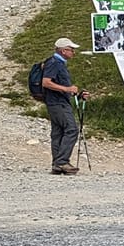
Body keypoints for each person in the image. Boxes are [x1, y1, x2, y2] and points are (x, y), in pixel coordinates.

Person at [37, 37, 88, 176]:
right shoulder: (55, 63)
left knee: (58, 132)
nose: (73, 53)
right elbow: (46, 83)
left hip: (55, 102)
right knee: (71, 129)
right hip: (58, 103)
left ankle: (57, 164)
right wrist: (67, 89)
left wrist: (77, 94)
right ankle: (62, 161)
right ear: (63, 50)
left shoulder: (54, 63)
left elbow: (57, 85)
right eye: (71, 50)